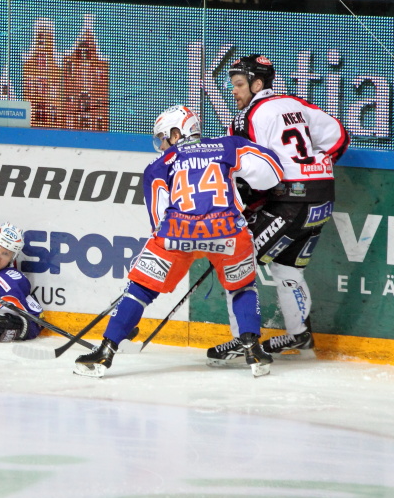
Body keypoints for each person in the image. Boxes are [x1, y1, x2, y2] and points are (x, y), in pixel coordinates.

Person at [73, 105, 284, 379]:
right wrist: (238, 185)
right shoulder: (227, 145)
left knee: (141, 289)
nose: (162, 144)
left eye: (163, 137)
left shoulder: (159, 165)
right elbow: (272, 172)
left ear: (176, 133)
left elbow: (158, 217)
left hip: (178, 233)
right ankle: (254, 351)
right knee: (243, 287)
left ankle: (104, 352)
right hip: (228, 230)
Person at [207, 55, 350, 361]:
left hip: (289, 202)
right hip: (322, 196)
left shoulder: (246, 118)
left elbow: (253, 177)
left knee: (236, 262)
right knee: (287, 269)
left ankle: (243, 339)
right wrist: (316, 167)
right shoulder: (296, 103)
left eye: (239, 84)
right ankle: (299, 334)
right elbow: (339, 135)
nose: (234, 91)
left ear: (258, 84)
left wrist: (244, 207)